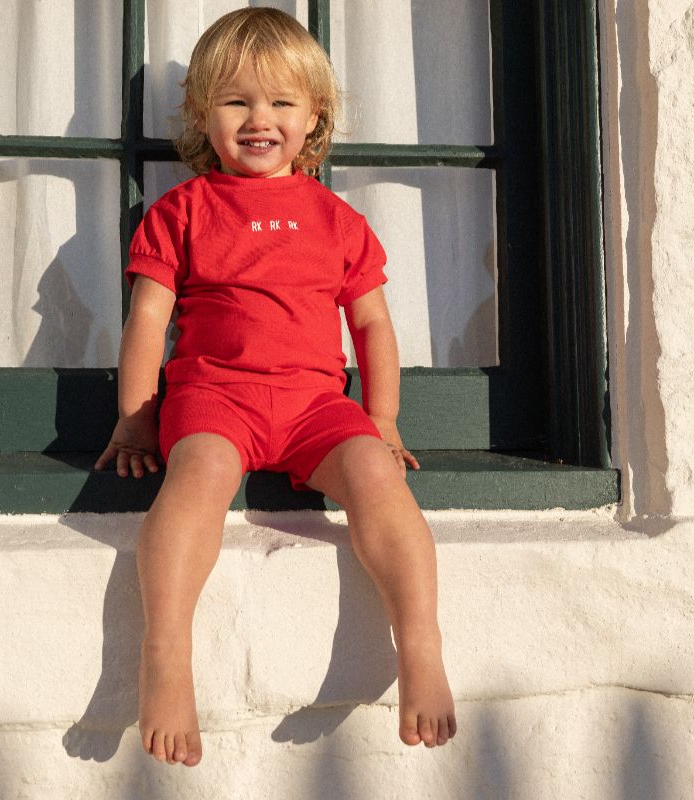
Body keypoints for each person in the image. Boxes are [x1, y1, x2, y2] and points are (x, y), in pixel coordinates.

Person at [95, 7, 456, 767]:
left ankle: (421, 644)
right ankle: (166, 655)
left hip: (316, 404)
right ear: (203, 115)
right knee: (196, 480)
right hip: (213, 397)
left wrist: (383, 418)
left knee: (378, 477)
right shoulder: (182, 211)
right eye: (237, 101)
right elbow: (146, 321)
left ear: (313, 115)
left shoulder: (337, 219)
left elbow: (373, 326)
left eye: (281, 102)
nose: (260, 119)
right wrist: (134, 419)